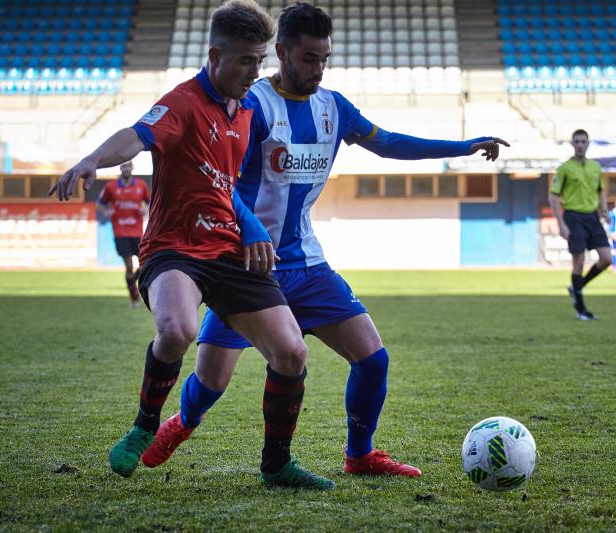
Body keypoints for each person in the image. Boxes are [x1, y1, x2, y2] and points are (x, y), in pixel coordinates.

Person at [139, 1, 509, 478]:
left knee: (373, 358)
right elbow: (218, 181)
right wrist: (248, 228)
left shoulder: (333, 107)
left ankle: (359, 455)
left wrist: (463, 146)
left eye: (325, 59)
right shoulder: (250, 106)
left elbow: (390, 142)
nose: (319, 69)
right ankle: (183, 420)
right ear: (282, 53)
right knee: (210, 381)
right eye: (310, 58)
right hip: (246, 267)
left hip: (308, 265)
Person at [49, 0, 334, 490]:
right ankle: (144, 426)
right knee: (178, 329)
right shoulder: (182, 102)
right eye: (246, 61)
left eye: (260, 61)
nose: (255, 73)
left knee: (290, 352)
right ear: (214, 56)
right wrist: (92, 159)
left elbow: (231, 187)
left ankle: (276, 466)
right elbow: (136, 136)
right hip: (173, 248)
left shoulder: (247, 110)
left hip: (227, 250)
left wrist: (251, 227)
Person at [549, 129, 611, 320]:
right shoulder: (565, 168)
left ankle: (577, 287)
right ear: (572, 144)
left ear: (588, 144)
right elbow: (553, 196)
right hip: (573, 216)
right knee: (579, 260)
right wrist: (561, 224)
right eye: (576, 141)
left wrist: (604, 210)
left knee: (606, 258)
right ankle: (581, 310)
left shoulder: (595, 167)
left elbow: (600, 191)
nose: (580, 145)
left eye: (583, 141)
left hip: (592, 217)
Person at [96, 161, 150, 308]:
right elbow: (100, 203)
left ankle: (135, 287)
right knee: (128, 266)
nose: (126, 168)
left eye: (128, 166)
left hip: (138, 232)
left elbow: (150, 202)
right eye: (124, 166)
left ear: (132, 167)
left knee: (145, 264)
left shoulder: (141, 185)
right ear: (120, 168)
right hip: (120, 232)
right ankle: (134, 297)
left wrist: (146, 209)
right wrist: (105, 211)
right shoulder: (111, 187)